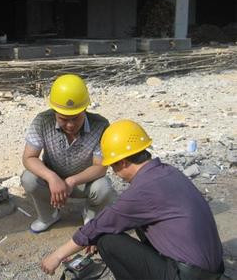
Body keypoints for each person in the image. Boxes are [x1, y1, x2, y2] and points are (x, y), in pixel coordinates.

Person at [41, 120, 225, 280]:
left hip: (185, 275)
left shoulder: (143, 191)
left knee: (106, 240)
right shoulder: (167, 172)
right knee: (133, 222)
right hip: (212, 270)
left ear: (122, 162)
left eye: (113, 166)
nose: (114, 172)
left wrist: (57, 256)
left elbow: (98, 226)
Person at [21, 74, 116, 233]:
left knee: (104, 188)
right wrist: (52, 178)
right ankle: (48, 215)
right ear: (54, 111)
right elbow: (29, 157)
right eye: (63, 119)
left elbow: (100, 167)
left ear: (85, 109)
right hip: (53, 182)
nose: (70, 125)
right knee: (29, 178)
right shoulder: (42, 121)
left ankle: (90, 212)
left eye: (76, 118)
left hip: (83, 182)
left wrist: (72, 181)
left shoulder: (101, 125)